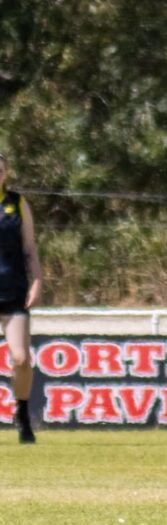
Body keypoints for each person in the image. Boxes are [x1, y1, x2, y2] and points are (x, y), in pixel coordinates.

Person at [0, 153, 43, 444]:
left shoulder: (16, 203)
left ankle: (23, 413)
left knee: (21, 357)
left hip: (13, 290)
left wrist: (37, 280)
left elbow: (29, 246)